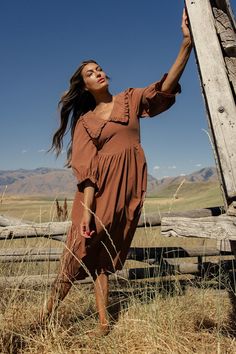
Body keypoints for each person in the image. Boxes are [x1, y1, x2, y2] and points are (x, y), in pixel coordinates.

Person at [41, 9, 192, 335]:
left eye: (99, 69)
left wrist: (186, 44)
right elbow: (87, 168)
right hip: (94, 194)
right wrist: (87, 211)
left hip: (126, 187)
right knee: (78, 252)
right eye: (90, 73)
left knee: (104, 257)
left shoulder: (130, 99)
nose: (99, 73)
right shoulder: (85, 121)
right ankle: (45, 316)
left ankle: (104, 323)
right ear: (84, 87)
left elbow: (165, 88)